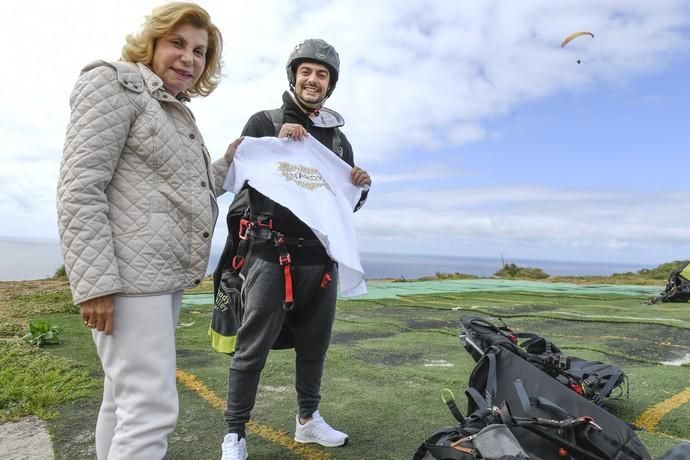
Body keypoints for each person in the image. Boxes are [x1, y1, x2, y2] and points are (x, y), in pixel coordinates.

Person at [56, 3, 241, 459]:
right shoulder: (114, 83)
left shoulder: (171, 108)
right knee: (151, 408)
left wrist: (229, 162)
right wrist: (95, 285)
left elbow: (188, 191)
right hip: (128, 280)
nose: (189, 58)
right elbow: (79, 189)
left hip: (158, 276)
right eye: (177, 43)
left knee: (123, 401)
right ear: (152, 42)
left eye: (199, 51)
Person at [219, 38, 372, 460]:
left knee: (314, 348)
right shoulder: (264, 122)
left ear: (330, 85)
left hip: (320, 261)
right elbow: (237, 173)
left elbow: (342, 205)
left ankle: (308, 421)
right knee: (251, 349)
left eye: (322, 74)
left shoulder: (339, 142)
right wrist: (281, 144)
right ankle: (235, 434)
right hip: (271, 253)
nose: (313, 79)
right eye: (306, 71)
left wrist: (358, 185)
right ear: (293, 76)